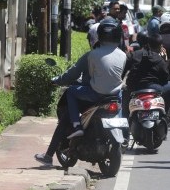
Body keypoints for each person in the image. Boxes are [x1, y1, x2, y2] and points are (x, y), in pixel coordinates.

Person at [34, 18, 127, 166]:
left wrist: (56, 80)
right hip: (114, 96)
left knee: (69, 98)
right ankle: (124, 130)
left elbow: (71, 75)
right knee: (121, 92)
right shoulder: (122, 55)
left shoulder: (91, 55)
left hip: (94, 96)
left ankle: (72, 131)